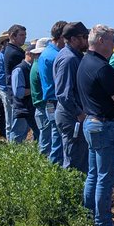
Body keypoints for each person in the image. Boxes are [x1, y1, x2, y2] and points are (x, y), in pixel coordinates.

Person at [78, 24, 114, 226]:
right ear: (101, 41)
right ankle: (103, 225)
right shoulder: (103, 68)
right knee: (105, 178)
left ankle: (88, 218)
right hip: (105, 125)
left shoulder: (85, 63)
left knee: (93, 175)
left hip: (91, 123)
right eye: (111, 40)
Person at [53, 21, 91, 172]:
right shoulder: (69, 59)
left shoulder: (74, 56)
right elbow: (63, 93)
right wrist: (79, 113)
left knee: (79, 158)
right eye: (85, 36)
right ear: (74, 39)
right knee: (74, 161)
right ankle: (72, 193)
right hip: (71, 116)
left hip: (72, 115)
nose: (87, 39)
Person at [36, 22, 68, 164]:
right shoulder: (55, 55)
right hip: (55, 99)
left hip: (50, 99)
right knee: (58, 136)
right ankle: (55, 166)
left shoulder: (48, 52)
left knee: (56, 133)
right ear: (61, 36)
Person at [0, 24, 28, 142]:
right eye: (21, 35)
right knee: (18, 127)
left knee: (15, 125)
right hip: (17, 94)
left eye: (25, 35)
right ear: (12, 36)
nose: (24, 38)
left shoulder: (12, 50)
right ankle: (15, 153)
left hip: (14, 92)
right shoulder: (14, 53)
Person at [11, 41, 40, 143]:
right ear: (28, 54)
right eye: (36, 54)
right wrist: (36, 90)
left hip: (29, 108)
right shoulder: (19, 69)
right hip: (22, 109)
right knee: (18, 136)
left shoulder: (32, 67)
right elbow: (19, 92)